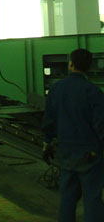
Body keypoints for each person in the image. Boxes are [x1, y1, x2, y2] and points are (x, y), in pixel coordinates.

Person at [42, 48, 104, 222]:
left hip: (65, 153)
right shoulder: (93, 92)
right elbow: (101, 125)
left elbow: (48, 121)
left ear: (71, 64)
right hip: (89, 155)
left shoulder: (56, 89)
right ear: (89, 67)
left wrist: (47, 142)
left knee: (67, 199)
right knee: (92, 199)